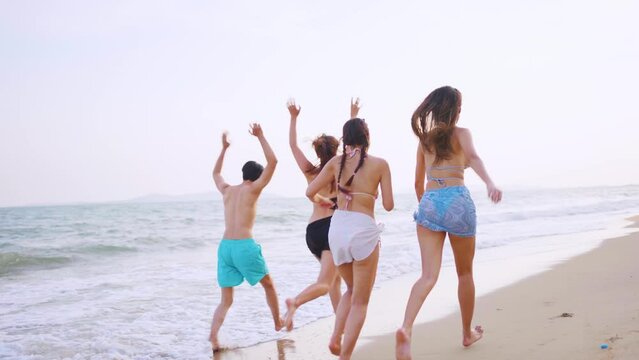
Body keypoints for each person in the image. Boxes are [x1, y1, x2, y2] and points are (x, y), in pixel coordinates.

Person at [395, 86, 502, 359]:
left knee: (428, 275)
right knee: (464, 273)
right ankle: (467, 333)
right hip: (457, 199)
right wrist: (489, 183)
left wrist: (428, 207)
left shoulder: (424, 141)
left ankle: (406, 327)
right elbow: (474, 158)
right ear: (456, 110)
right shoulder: (462, 134)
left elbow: (417, 183)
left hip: (430, 200)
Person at [307, 117, 394, 360]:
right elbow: (388, 205)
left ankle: (336, 337)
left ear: (345, 139)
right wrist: (371, 194)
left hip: (337, 229)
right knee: (361, 302)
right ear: (367, 137)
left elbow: (309, 192)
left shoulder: (336, 163)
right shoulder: (380, 164)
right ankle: (345, 356)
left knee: (351, 289)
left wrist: (330, 200)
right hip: (362, 230)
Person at [282, 98, 361, 331]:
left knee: (335, 283)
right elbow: (353, 143)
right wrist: (353, 114)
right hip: (330, 231)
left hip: (312, 233)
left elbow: (293, 147)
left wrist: (293, 118)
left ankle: (341, 330)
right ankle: (295, 302)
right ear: (337, 149)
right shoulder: (341, 167)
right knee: (326, 283)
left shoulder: (311, 171)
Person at [209, 124, 282, 352]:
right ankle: (278, 323)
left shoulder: (228, 190)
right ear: (257, 177)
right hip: (243, 246)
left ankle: (213, 337)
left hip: (225, 249)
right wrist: (261, 136)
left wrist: (224, 149)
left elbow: (216, 173)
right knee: (268, 285)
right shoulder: (254, 189)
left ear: (243, 175)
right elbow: (274, 162)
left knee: (226, 300)